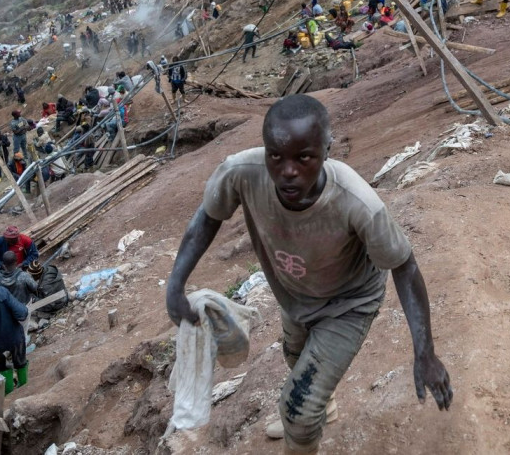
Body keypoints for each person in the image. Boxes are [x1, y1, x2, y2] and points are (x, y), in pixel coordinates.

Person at [166, 95, 452, 453]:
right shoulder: (242, 173)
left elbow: (405, 267)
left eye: (304, 158)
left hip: (349, 302)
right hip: (295, 293)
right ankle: (323, 409)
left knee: (297, 412)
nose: (288, 171)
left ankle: (305, 426)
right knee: (295, 357)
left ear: (326, 150)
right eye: (276, 156)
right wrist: (176, 283)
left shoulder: (356, 202)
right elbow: (207, 217)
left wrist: (424, 352)